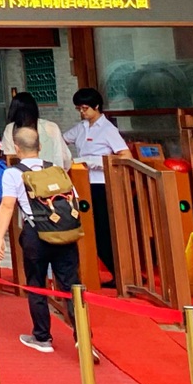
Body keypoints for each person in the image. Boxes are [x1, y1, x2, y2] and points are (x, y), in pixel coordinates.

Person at [0, 126, 80, 354]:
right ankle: (83, 337)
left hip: (35, 234)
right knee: (72, 287)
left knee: (36, 284)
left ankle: (42, 337)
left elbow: (8, 205)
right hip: (64, 233)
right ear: (40, 147)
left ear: (17, 148)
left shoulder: (12, 173)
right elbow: (74, 199)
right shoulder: (56, 169)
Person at [64, 87, 128, 279]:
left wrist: (94, 163)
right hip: (83, 182)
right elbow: (61, 140)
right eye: (79, 109)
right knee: (87, 229)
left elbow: (124, 155)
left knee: (103, 230)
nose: (83, 112)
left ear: (96, 106)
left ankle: (120, 273)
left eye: (85, 108)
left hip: (101, 183)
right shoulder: (81, 127)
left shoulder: (108, 129)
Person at [0, 91, 72, 170]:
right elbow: (66, 157)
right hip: (52, 176)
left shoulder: (10, 129)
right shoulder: (52, 126)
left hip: (24, 177)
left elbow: (8, 158)